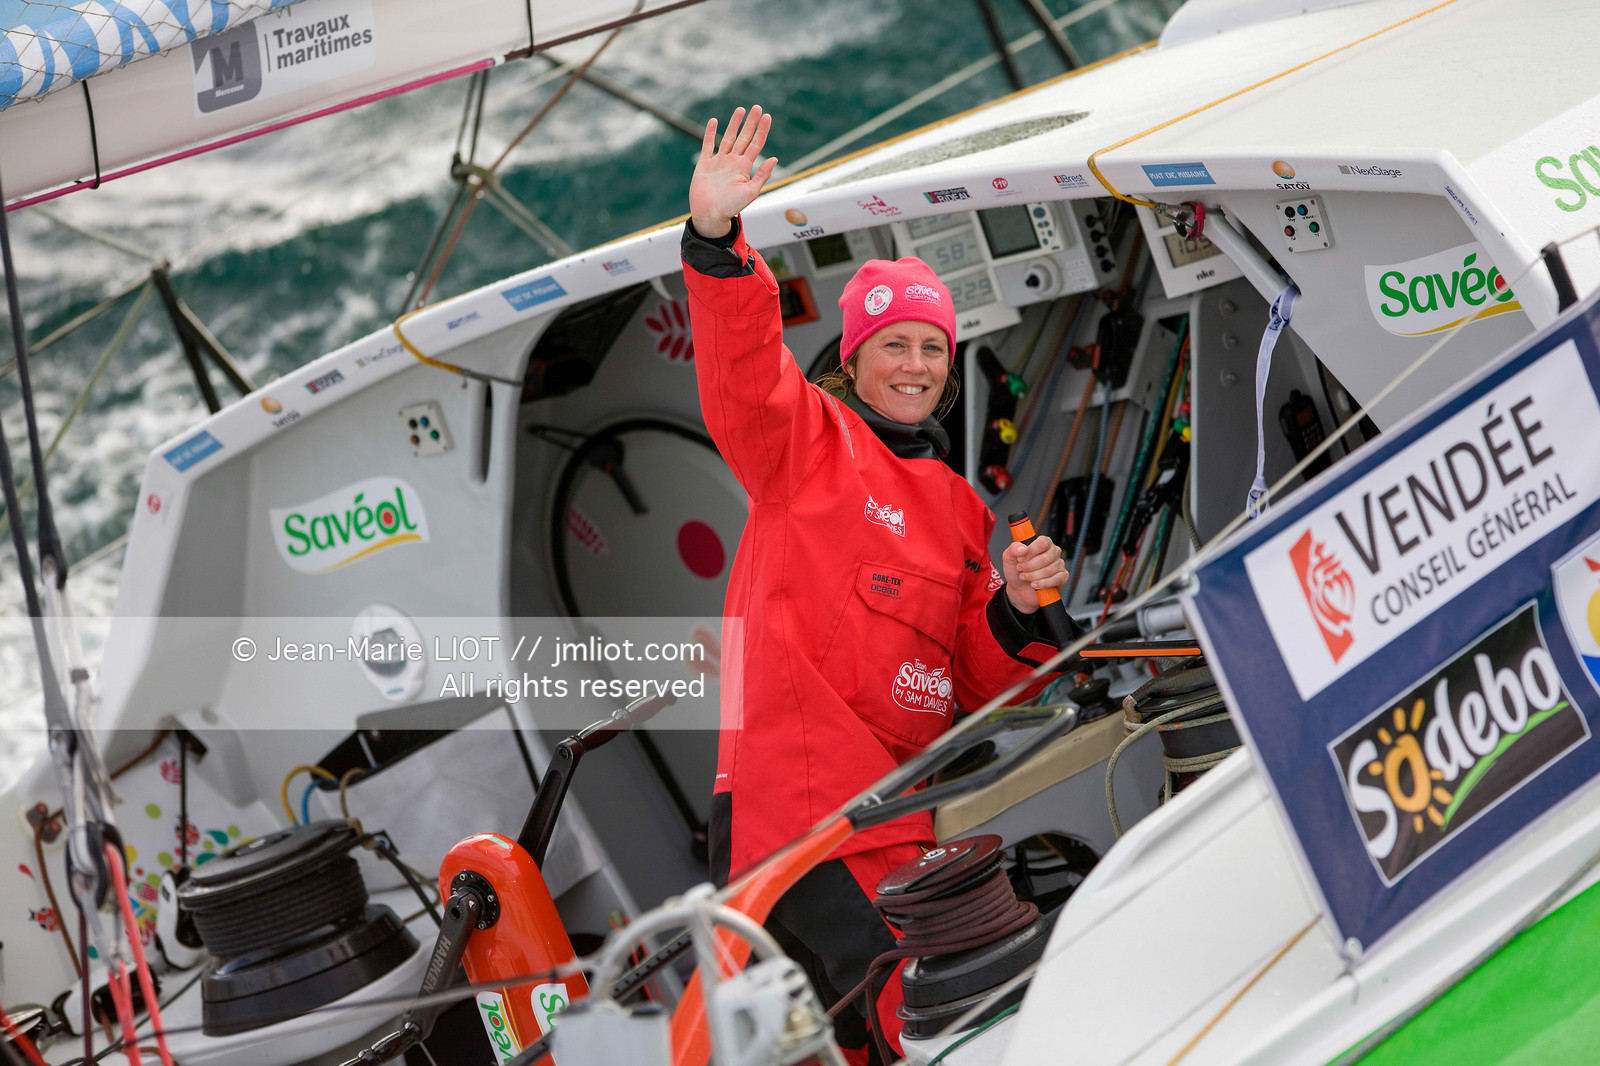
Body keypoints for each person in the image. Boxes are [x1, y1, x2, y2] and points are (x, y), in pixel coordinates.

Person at [681, 105, 1072, 1062]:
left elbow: (972, 684)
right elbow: (742, 370)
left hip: (901, 809)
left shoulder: (959, 508)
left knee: (903, 1025)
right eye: (894, 345)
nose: (915, 364)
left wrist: (1018, 609)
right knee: (924, 1018)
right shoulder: (806, 442)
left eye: (932, 348)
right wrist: (716, 238)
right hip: (801, 815)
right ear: (853, 362)